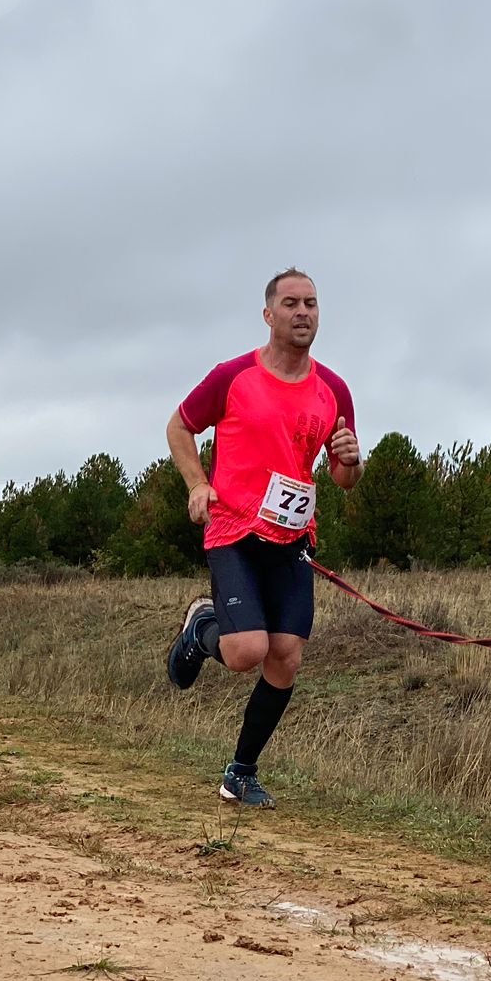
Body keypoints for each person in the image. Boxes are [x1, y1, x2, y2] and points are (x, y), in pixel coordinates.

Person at [164, 267, 361, 807]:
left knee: (286, 657)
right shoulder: (233, 376)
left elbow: (343, 477)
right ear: (269, 314)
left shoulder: (333, 390)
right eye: (292, 303)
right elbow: (179, 426)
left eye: (312, 304)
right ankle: (202, 627)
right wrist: (198, 483)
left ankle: (240, 773)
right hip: (233, 529)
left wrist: (350, 463)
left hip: (292, 537)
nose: (304, 313)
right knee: (248, 651)